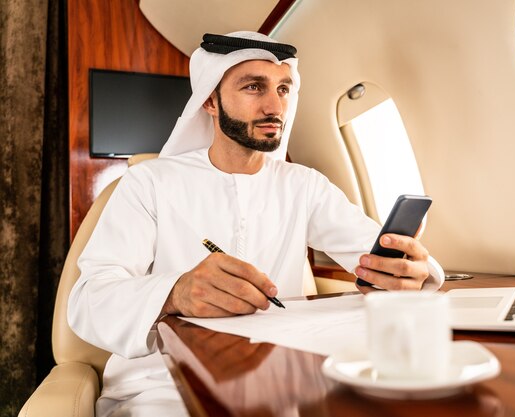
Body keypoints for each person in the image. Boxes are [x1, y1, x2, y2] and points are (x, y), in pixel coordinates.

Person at [68, 31, 444, 417]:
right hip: (164, 386)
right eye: (253, 87)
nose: (274, 105)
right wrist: (175, 292)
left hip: (284, 379)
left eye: (283, 89)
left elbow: (376, 252)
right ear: (211, 101)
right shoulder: (148, 182)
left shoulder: (304, 185)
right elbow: (88, 301)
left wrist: (411, 271)